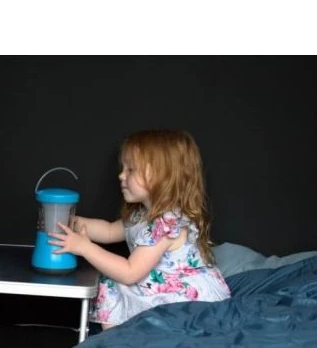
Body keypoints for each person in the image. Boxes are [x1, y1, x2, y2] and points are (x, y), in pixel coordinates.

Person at [49, 129, 231, 330]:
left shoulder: (167, 223)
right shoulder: (141, 215)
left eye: (131, 170)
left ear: (162, 176)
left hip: (186, 299)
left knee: (114, 281)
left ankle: (121, 338)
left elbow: (130, 272)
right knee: (111, 281)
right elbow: (109, 231)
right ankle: (118, 338)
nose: (121, 175)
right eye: (123, 168)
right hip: (157, 282)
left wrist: (85, 248)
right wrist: (71, 222)